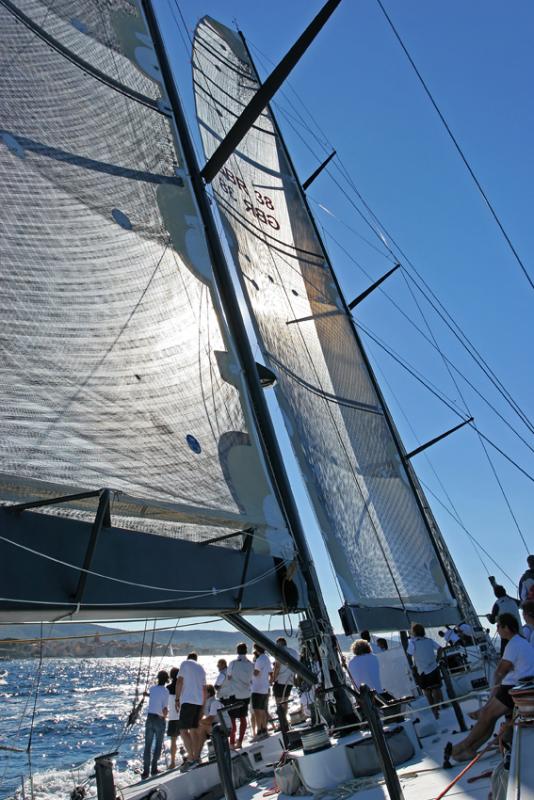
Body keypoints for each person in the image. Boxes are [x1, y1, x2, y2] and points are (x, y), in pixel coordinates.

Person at [451, 613, 534, 761]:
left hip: (514, 689)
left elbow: (500, 671)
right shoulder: (521, 642)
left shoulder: (513, 644)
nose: (496, 629)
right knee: (490, 717)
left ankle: (463, 746)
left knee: (487, 716)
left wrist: (493, 692)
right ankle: (471, 748)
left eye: (498, 626)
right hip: (522, 687)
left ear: (506, 628)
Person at [175, 652, 207, 769]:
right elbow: (204, 689)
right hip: (198, 702)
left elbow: (179, 681)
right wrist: (203, 706)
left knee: (183, 730)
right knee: (193, 730)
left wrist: (177, 699)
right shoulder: (201, 668)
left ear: (188, 658)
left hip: (188, 700)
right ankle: (197, 756)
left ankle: (191, 757)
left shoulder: (185, 664)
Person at [407, 623, 443, 719]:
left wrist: (412, 665)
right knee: (436, 688)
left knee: (427, 692)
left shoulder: (412, 642)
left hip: (421, 670)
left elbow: (409, 654)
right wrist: (437, 660)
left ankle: (434, 711)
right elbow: (440, 649)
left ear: (414, 632)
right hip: (433, 667)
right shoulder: (429, 640)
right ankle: (436, 708)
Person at [225, 642, 254, 750]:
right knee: (243, 718)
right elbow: (251, 679)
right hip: (246, 694)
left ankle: (232, 743)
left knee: (232, 720)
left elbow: (228, 677)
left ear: (237, 651)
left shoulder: (232, 663)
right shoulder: (251, 664)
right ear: (246, 651)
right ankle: (240, 741)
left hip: (234, 694)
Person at [142, 670, 169, 779]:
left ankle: (145, 772)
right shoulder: (166, 691)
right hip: (159, 718)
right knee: (158, 744)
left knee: (147, 745)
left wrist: (146, 695)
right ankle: (154, 769)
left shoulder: (152, 689)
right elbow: (165, 708)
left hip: (150, 718)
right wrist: (164, 717)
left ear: (158, 678)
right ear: (167, 680)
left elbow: (154, 696)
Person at [271, 636, 298, 729]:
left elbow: (277, 667)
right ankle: (285, 721)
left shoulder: (279, 652)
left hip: (281, 681)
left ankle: (283, 723)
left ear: (279, 644)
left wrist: (272, 679)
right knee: (285, 701)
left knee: (279, 702)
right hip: (290, 680)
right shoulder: (294, 652)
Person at [196, 684, 229, 757]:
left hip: (224, 726)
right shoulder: (207, 704)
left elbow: (209, 720)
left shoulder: (214, 703)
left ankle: (196, 755)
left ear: (209, 693)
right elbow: (201, 717)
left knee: (202, 728)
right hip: (216, 725)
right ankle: (196, 754)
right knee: (198, 729)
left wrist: (198, 722)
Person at [487, 586, 521, 654]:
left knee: (505, 654)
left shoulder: (497, 604)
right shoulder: (513, 601)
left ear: (495, 594)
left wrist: (488, 617)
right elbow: (521, 604)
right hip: (520, 632)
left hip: (507, 635)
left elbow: (492, 621)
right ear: (505, 591)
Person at [251, 643, 272, 740]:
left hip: (257, 688)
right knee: (263, 710)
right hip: (265, 687)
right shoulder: (267, 658)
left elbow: (256, 673)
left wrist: (250, 669)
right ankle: (264, 730)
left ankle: (259, 731)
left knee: (256, 710)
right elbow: (270, 672)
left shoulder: (259, 660)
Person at [166, 667, 180, 769]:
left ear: (170, 676)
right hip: (183, 716)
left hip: (173, 717)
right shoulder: (182, 687)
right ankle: (192, 756)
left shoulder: (167, 688)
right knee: (187, 736)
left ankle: (173, 762)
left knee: (173, 741)